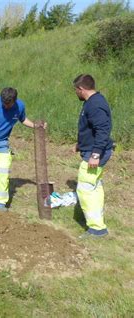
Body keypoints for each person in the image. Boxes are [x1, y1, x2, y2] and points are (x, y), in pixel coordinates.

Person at [72, 74, 113, 239]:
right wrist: (80, 144)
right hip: (91, 149)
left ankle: (96, 229)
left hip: (96, 153)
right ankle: (98, 222)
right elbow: (92, 129)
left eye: (76, 90)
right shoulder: (93, 102)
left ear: (81, 89)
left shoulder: (95, 105)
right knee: (94, 186)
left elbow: (103, 131)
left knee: (85, 188)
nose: (76, 93)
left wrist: (95, 154)